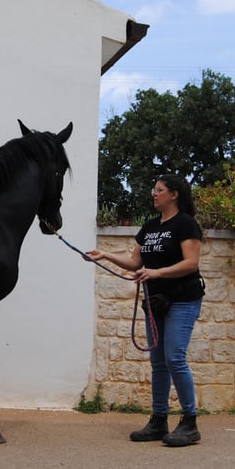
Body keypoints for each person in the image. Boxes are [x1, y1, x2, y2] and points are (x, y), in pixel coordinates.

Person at [86, 174, 205, 447]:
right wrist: (105, 255)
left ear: (174, 194)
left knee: (174, 358)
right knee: (158, 363)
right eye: (154, 189)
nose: (154, 193)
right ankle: (158, 420)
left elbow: (191, 263)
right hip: (155, 302)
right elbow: (134, 262)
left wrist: (157, 272)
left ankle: (190, 422)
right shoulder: (150, 227)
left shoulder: (185, 224)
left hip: (182, 300)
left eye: (159, 189)